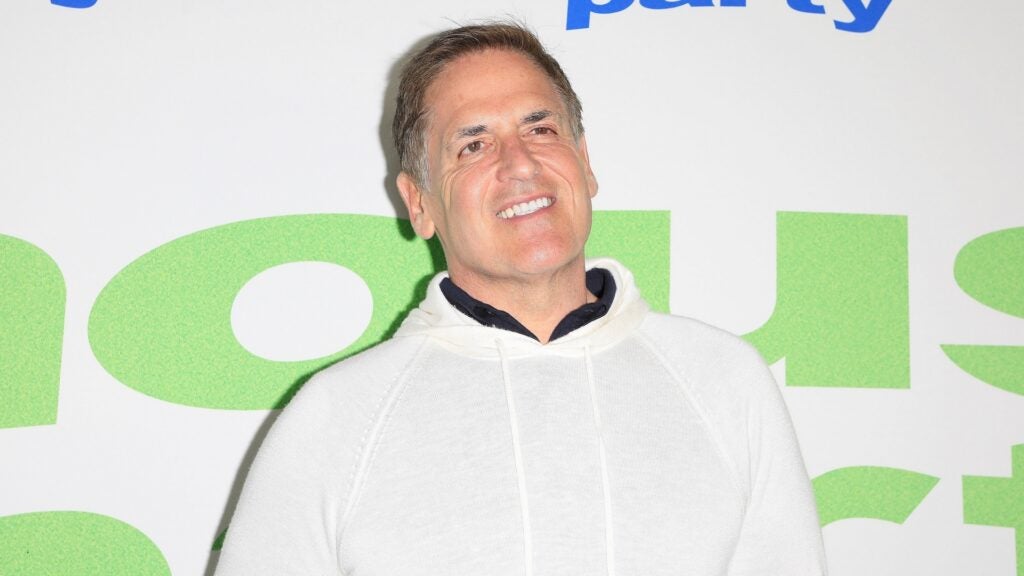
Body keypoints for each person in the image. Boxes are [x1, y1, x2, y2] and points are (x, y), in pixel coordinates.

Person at [215, 22, 827, 576]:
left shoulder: (723, 381)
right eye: (473, 145)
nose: (520, 164)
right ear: (419, 203)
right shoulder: (337, 416)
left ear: (584, 162)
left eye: (540, 129)